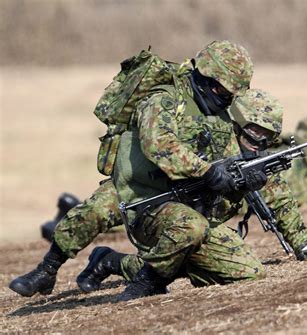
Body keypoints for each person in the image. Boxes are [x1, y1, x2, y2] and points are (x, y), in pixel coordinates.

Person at [9, 40, 254, 298]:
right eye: (221, 90)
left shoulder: (222, 121)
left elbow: (227, 169)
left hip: (178, 204)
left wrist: (244, 180)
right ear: (204, 77)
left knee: (244, 270)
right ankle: (46, 270)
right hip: (134, 187)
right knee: (93, 212)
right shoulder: (164, 98)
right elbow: (159, 145)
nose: (225, 99)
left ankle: (124, 265)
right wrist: (207, 172)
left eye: (230, 95)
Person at [76, 88, 307, 301]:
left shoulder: (254, 156)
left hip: (205, 229)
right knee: (183, 239)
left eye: (268, 137)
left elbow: (280, 198)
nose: (260, 142)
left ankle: (113, 262)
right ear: (237, 123)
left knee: (248, 272)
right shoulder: (203, 138)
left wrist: (303, 243)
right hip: (167, 219)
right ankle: (138, 271)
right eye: (256, 133)